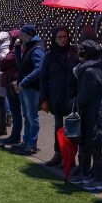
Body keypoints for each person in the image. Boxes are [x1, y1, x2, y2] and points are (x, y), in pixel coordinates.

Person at [69, 40, 102, 192]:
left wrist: (75, 102)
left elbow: (87, 94)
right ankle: (84, 173)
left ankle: (98, 179)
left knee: (95, 147)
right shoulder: (87, 69)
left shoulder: (90, 71)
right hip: (88, 114)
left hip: (94, 115)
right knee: (84, 145)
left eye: (81, 50)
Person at [40, 26, 79, 166]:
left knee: (72, 127)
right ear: (54, 39)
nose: (63, 39)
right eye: (60, 37)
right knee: (58, 127)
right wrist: (44, 99)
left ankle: (69, 157)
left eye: (65, 36)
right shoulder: (50, 56)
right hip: (55, 95)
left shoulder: (75, 53)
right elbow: (43, 78)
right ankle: (58, 154)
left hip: (72, 96)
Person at [11, 24, 45, 155]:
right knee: (27, 116)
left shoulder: (37, 49)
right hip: (25, 87)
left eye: (22, 34)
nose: (19, 36)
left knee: (32, 117)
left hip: (31, 88)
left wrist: (24, 81)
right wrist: (18, 48)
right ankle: (26, 142)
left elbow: (39, 69)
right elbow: (20, 65)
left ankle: (31, 144)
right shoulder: (29, 47)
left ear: (28, 34)